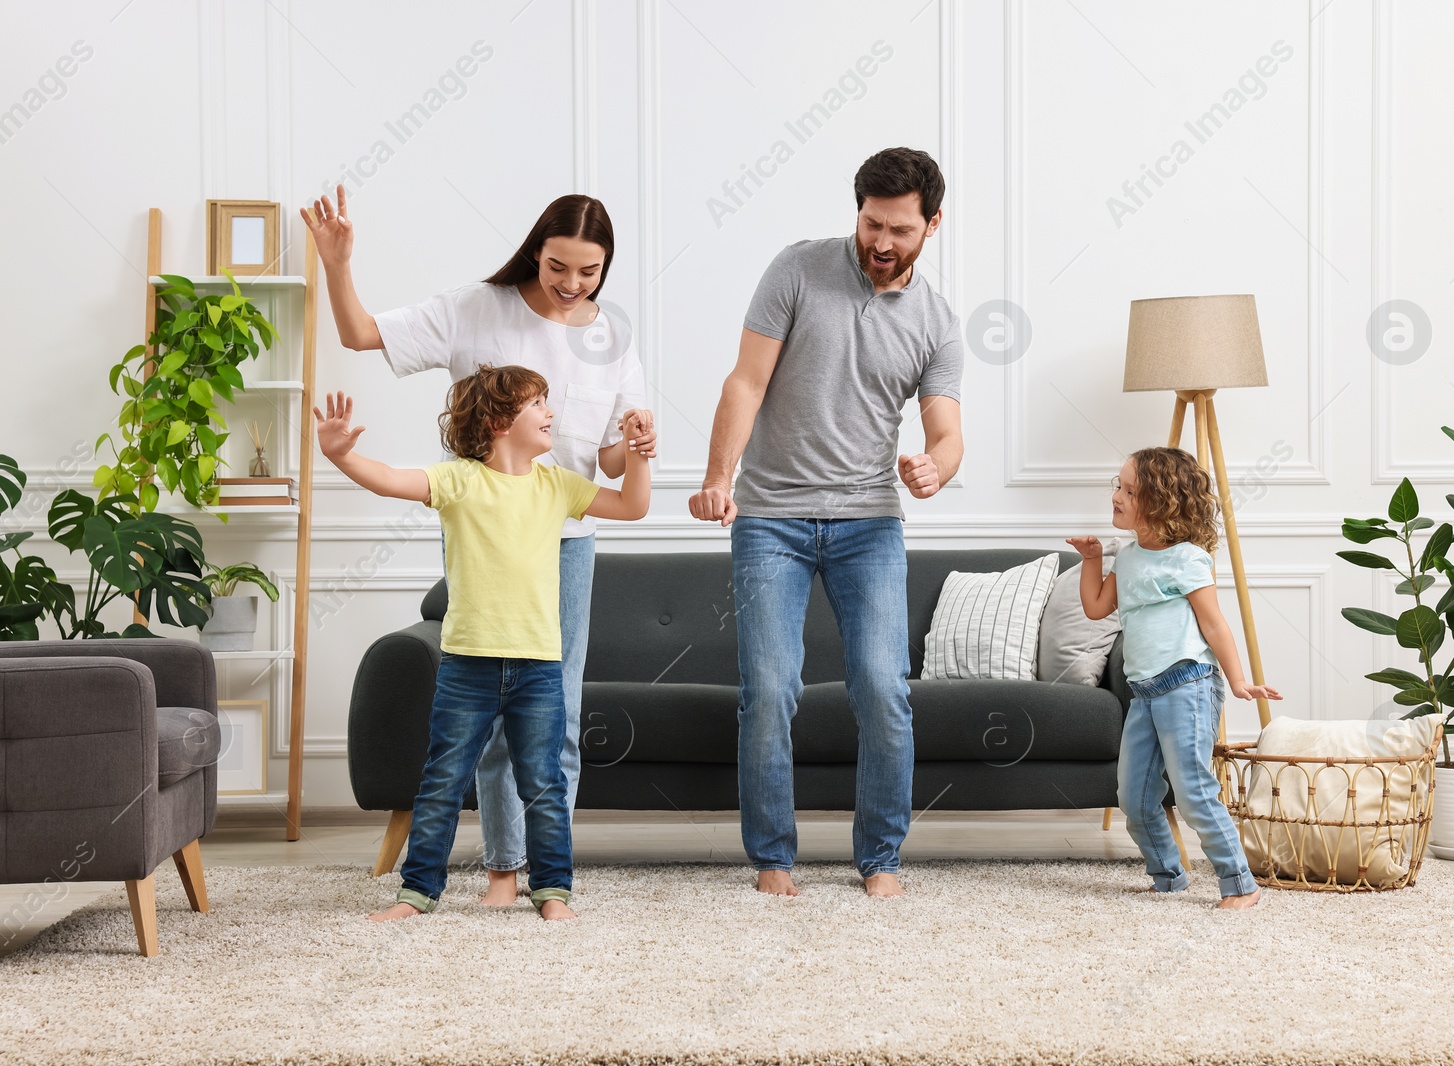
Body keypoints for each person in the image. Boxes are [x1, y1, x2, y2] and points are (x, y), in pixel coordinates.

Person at [302, 187, 654, 907]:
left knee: (554, 717)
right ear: (535, 250)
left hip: (569, 536)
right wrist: (338, 264)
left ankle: (549, 879)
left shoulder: (610, 334)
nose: (573, 284)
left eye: (590, 272)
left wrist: (639, 443)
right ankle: (502, 868)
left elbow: (614, 466)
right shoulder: (478, 307)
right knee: (492, 712)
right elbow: (362, 333)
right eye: (560, 266)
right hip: (487, 529)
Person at [688, 147, 964, 898]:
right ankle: (773, 858)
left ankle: (880, 857)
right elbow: (745, 382)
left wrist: (938, 465)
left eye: (900, 229)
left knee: (882, 686)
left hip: (869, 523)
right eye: (871, 222)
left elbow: (947, 429)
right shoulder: (797, 270)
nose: (881, 241)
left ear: (932, 225)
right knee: (772, 687)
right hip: (770, 518)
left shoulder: (938, 323)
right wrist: (719, 476)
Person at [1066, 447, 1280, 910]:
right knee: (1134, 797)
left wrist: (1239, 680)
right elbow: (1097, 608)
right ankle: (1169, 877)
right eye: (1117, 486)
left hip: (1187, 684)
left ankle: (1240, 883)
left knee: (1194, 791)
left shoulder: (1188, 559)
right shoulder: (1127, 556)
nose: (1116, 496)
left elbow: (1215, 624)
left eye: (1128, 490)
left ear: (1161, 502)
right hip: (1144, 693)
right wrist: (1092, 558)